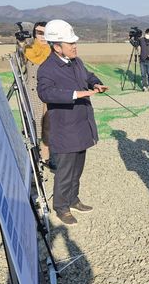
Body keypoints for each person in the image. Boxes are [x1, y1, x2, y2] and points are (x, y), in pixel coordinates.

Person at [37, 19, 108, 226]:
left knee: (77, 168)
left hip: (81, 125)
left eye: (74, 43)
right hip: (65, 129)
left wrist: (96, 83)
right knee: (65, 171)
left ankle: (73, 199)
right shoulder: (47, 68)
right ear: (57, 46)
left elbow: (88, 76)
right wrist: (76, 94)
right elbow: (45, 92)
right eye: (70, 44)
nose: (75, 47)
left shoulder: (76, 62)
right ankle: (61, 206)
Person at [22, 21, 53, 166]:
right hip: (32, 93)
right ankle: (30, 158)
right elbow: (18, 63)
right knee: (31, 125)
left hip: (48, 93)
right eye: (40, 33)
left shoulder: (53, 50)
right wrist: (20, 43)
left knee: (47, 125)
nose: (43, 36)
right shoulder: (27, 50)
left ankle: (45, 157)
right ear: (34, 34)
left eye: (46, 33)